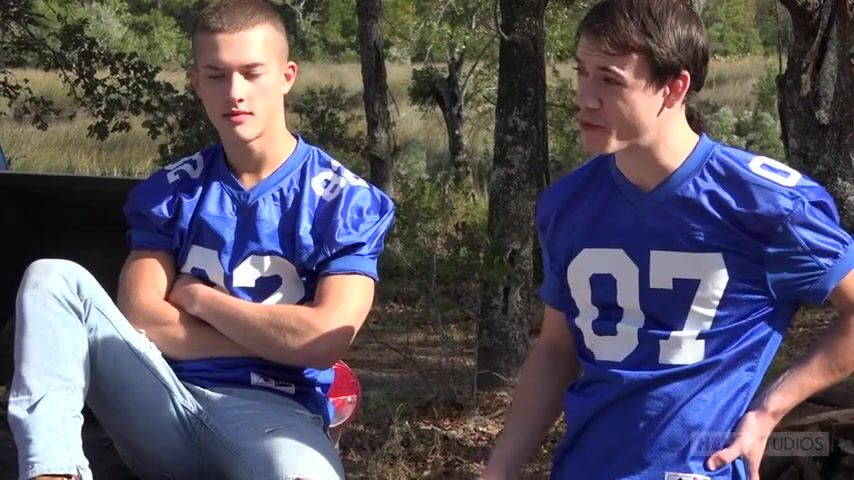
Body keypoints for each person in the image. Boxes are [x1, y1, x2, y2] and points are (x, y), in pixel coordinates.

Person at [7, 1, 395, 479]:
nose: (235, 92)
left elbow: (322, 339)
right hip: (160, 397)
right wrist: (277, 341)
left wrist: (198, 299)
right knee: (52, 278)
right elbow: (142, 317)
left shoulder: (344, 201)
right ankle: (53, 470)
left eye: (252, 72)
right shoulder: (171, 190)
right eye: (216, 75)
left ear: (286, 76)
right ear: (196, 83)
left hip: (274, 412)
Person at [482, 1, 854, 479]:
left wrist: (771, 409)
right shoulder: (568, 203)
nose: (586, 98)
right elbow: (558, 347)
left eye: (610, 80)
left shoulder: (765, 204)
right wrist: (501, 466)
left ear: (674, 87)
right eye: (582, 73)